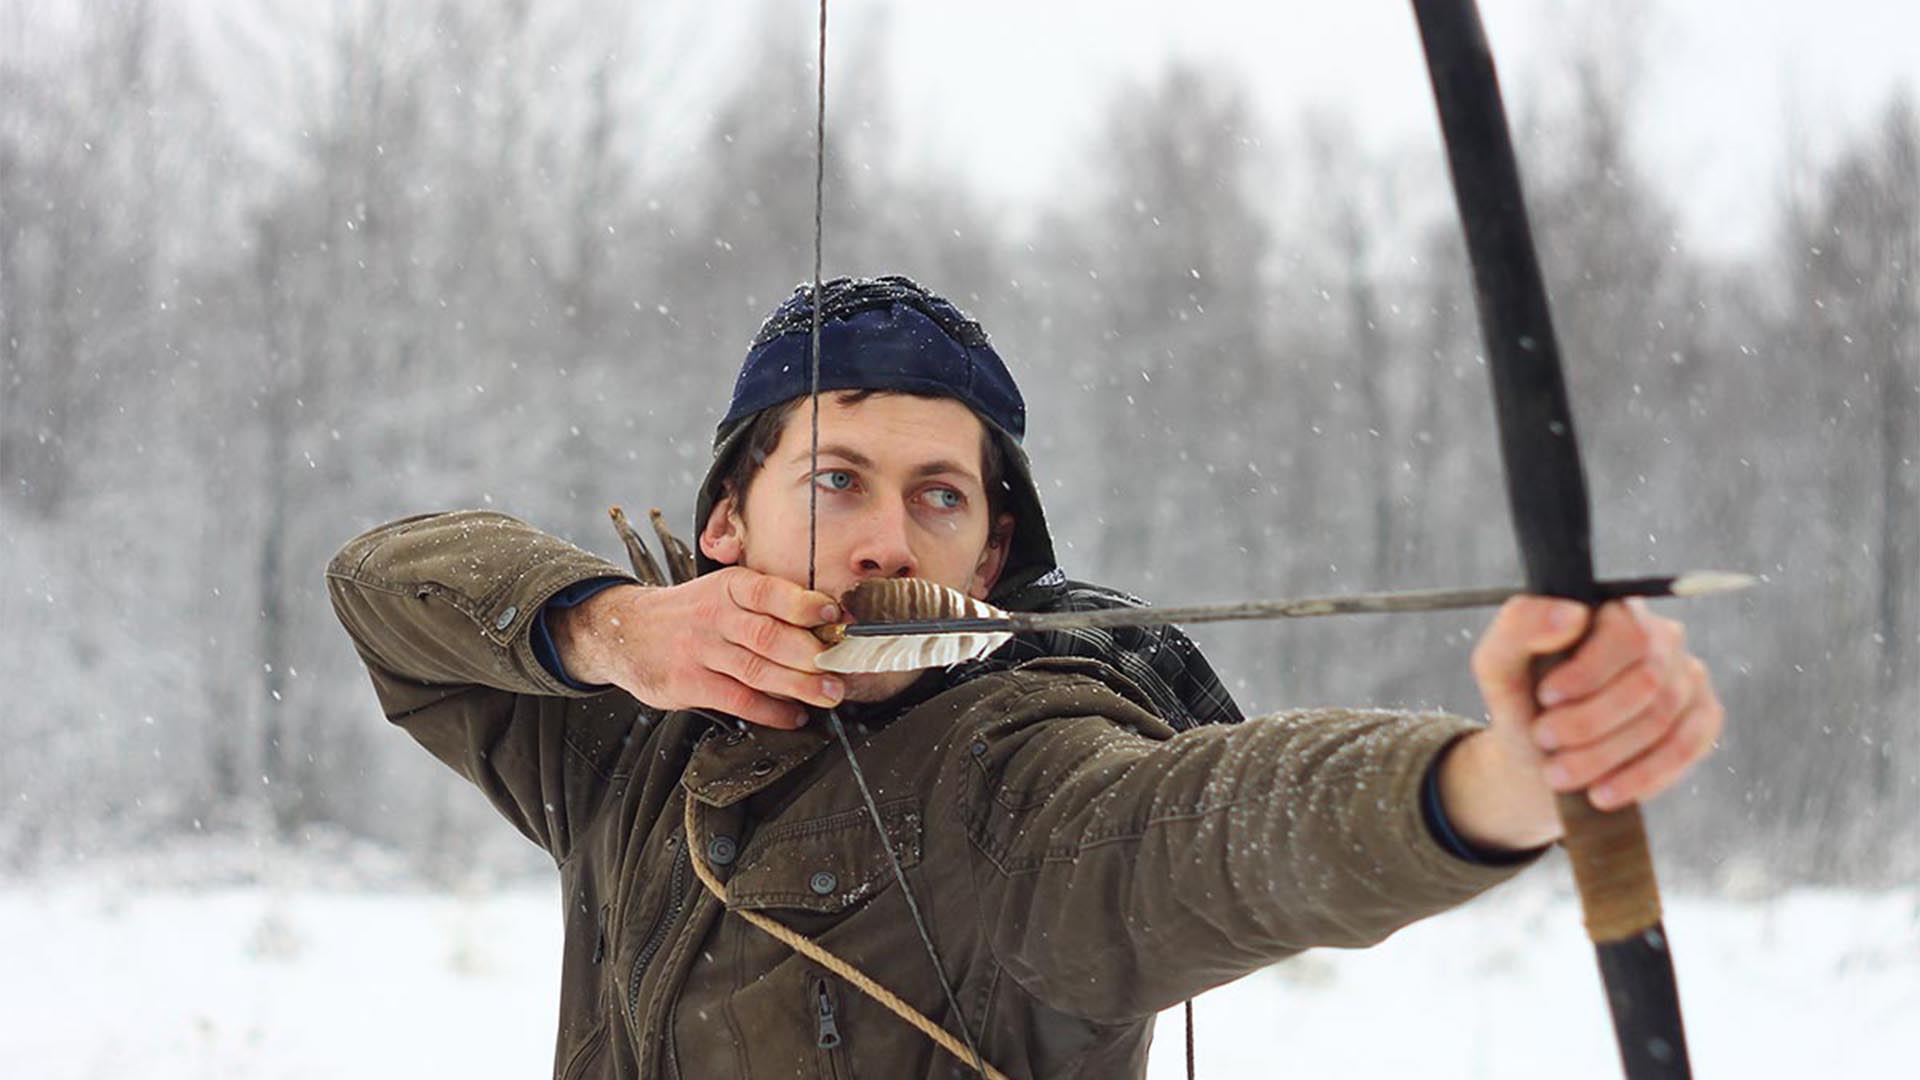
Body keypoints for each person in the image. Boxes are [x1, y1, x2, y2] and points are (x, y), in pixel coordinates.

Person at [326, 275, 1724, 1079]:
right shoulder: (631, 743)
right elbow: (385, 584)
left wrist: (1507, 774)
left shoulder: (1017, 770)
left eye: (939, 496)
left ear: (991, 553)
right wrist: (609, 628)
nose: (884, 534)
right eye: (836, 479)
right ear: (727, 523)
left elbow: (1212, 834)